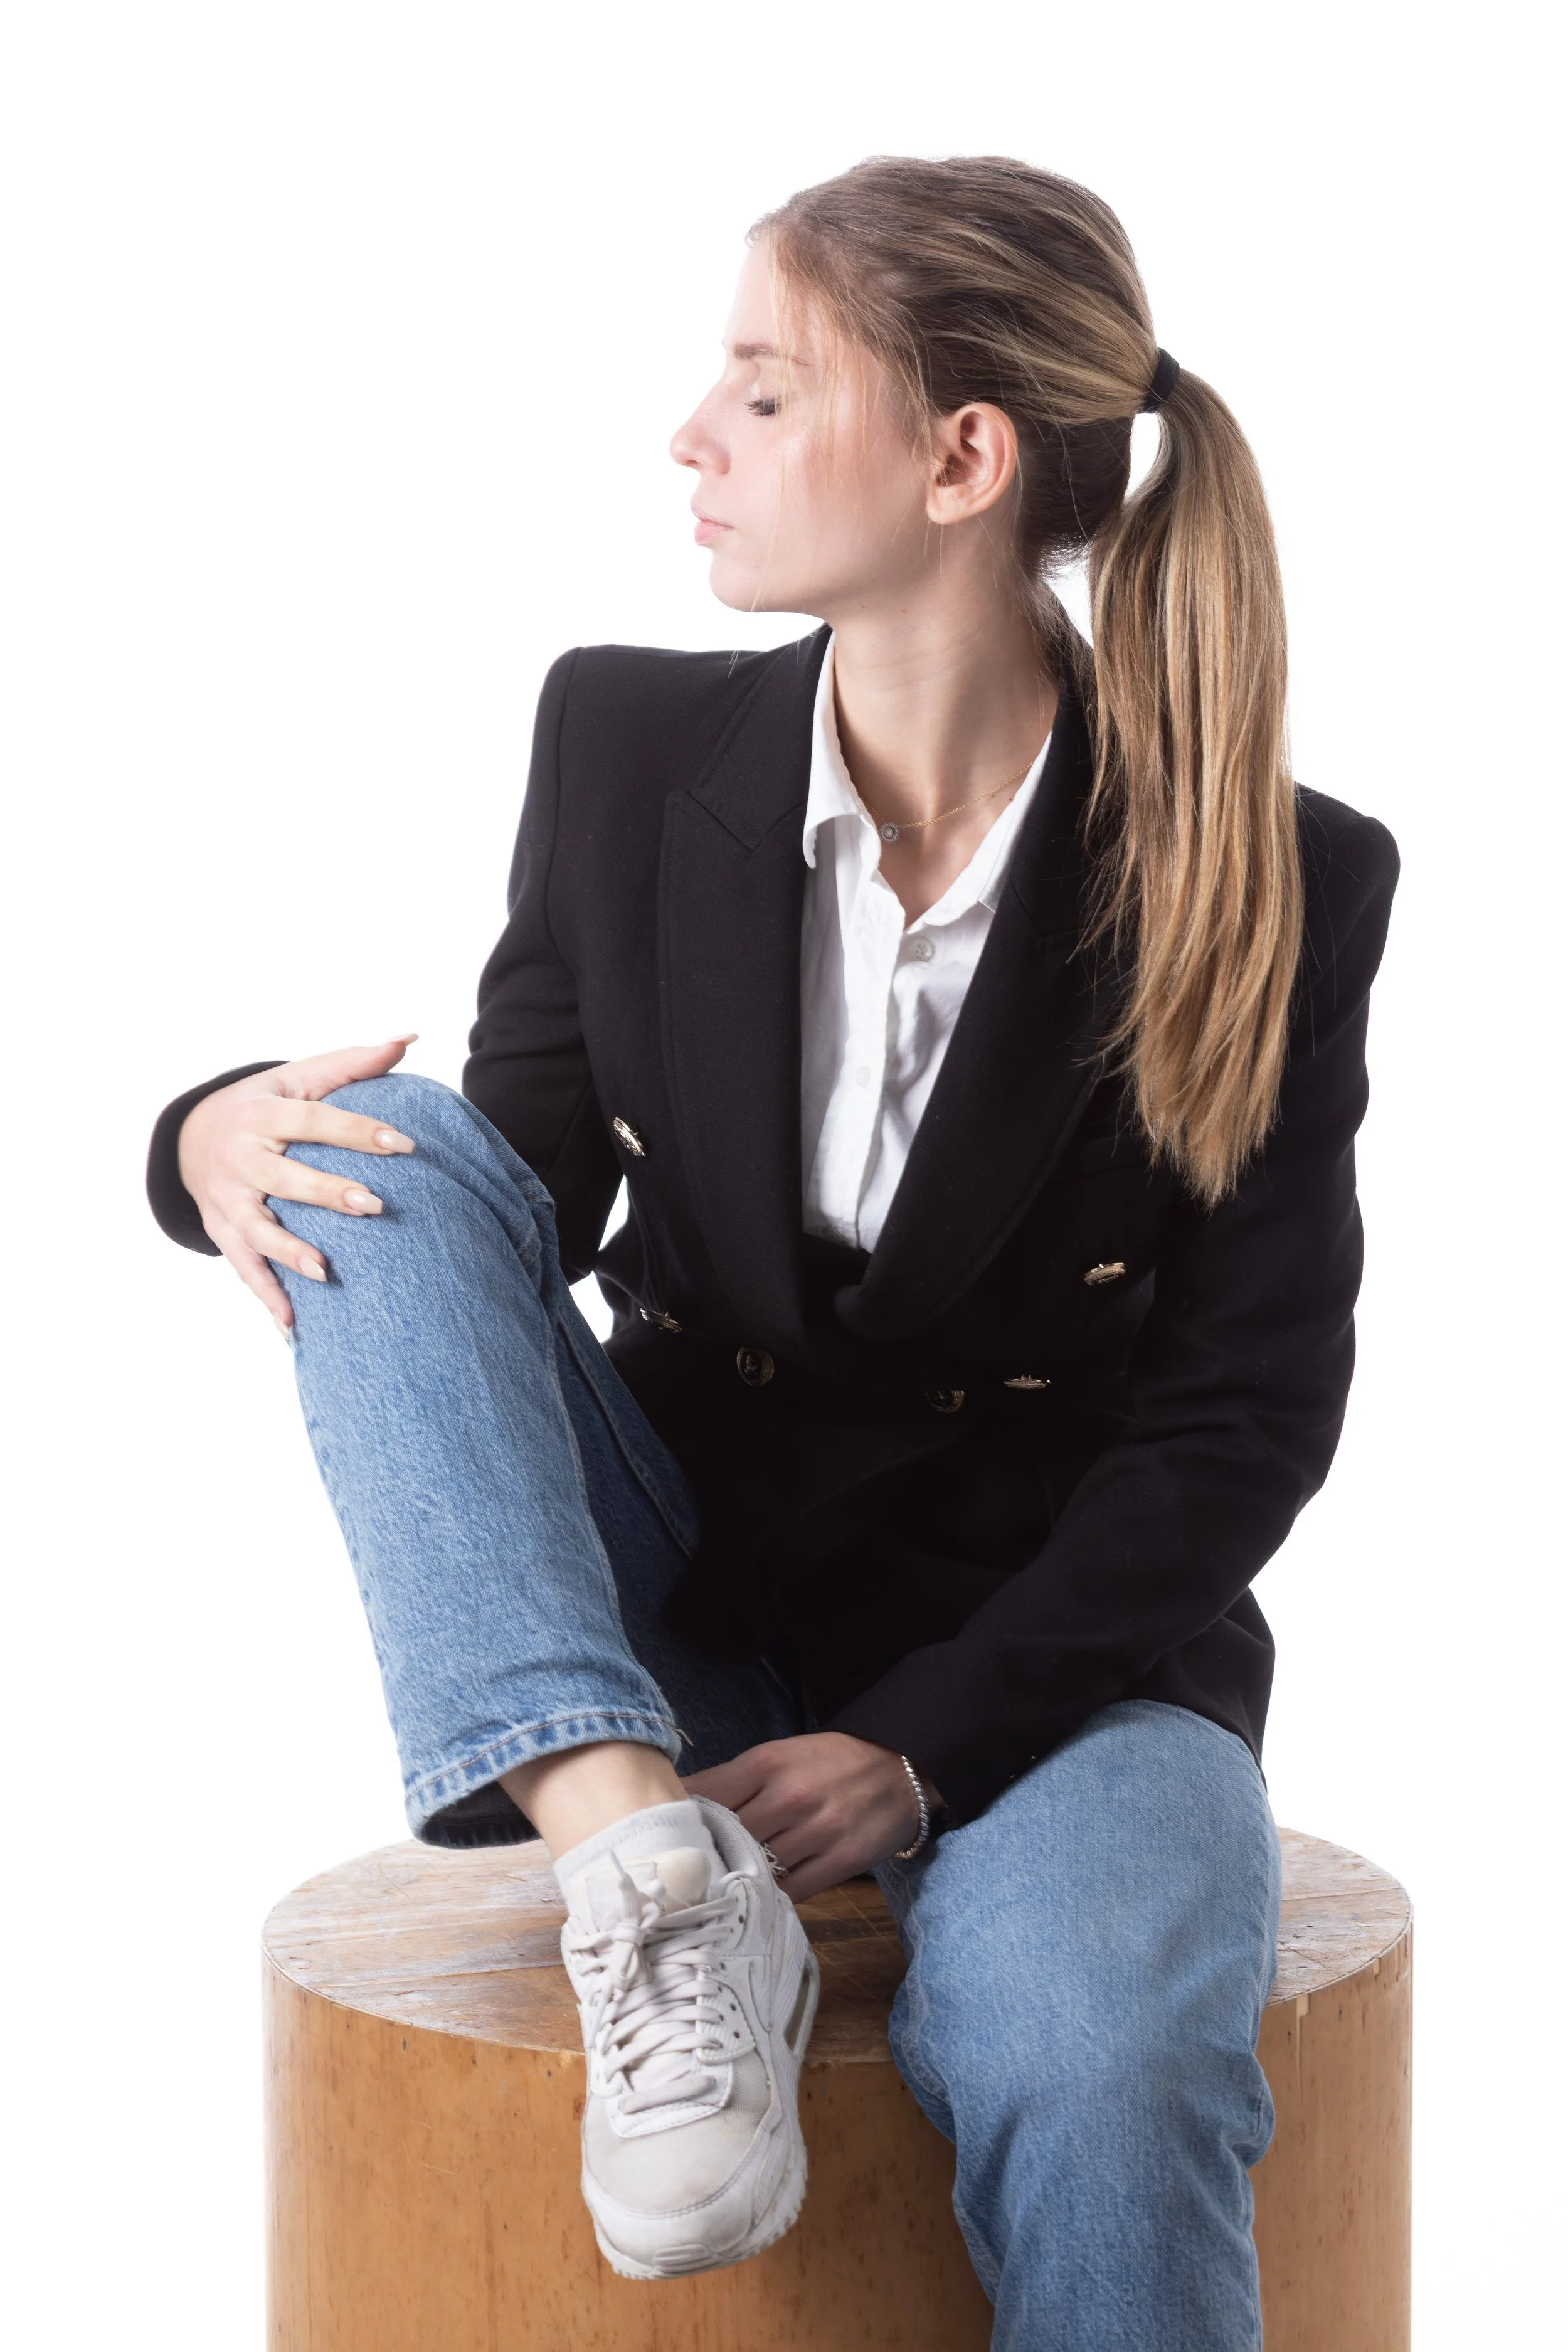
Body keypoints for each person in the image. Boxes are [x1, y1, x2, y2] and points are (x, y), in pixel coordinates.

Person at [146, 155, 1397, 2349]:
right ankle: (637, 1866)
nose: (687, 438)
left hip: (1050, 1664)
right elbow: (515, 1200)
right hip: (663, 1623)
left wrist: (917, 1743)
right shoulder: (623, 745)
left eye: (758, 388)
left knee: (1102, 2065)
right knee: (393, 1148)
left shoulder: (1268, 869)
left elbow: (1244, 1415)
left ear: (959, 459)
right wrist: (201, 1138)